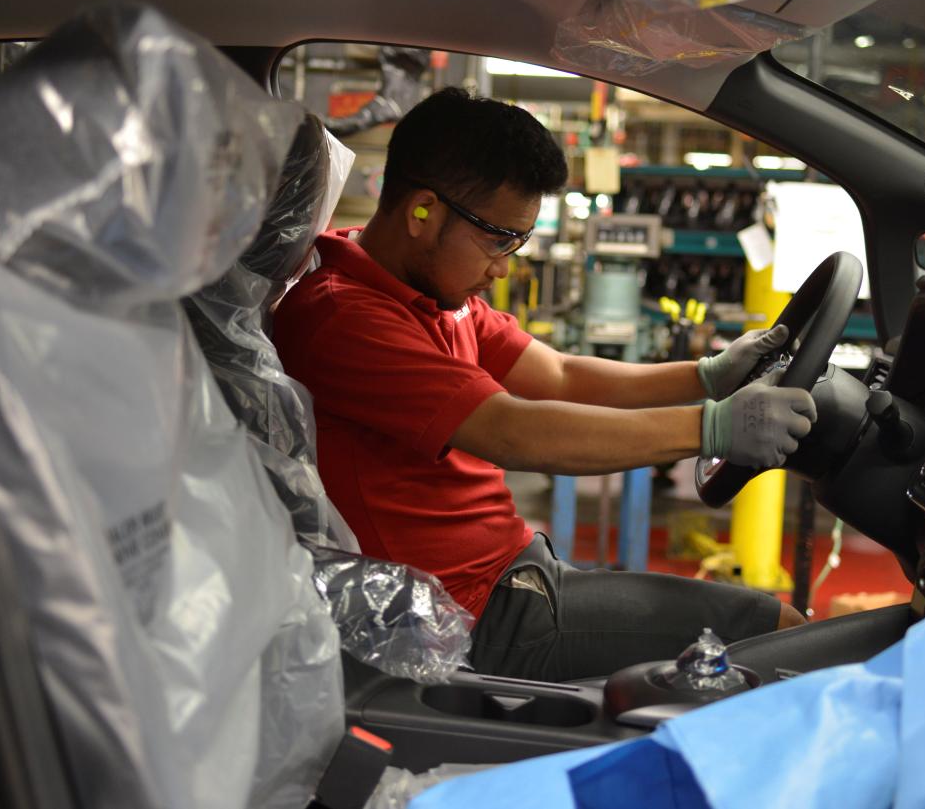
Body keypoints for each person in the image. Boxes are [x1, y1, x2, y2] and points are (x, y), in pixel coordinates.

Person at [274, 87, 816, 682]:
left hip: (510, 572)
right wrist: (712, 427)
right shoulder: (343, 316)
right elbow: (513, 432)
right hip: (463, 615)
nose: (505, 266)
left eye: (518, 242)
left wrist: (706, 377)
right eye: (498, 239)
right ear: (422, 212)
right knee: (782, 634)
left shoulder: (432, 294)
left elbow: (558, 373)